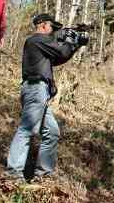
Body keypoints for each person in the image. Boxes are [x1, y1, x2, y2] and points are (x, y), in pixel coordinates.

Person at [6, 13, 82, 184]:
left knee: (52, 132)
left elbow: (60, 56)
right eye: (52, 27)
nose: (53, 31)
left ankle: (42, 175)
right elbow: (62, 50)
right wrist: (70, 40)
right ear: (42, 25)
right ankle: (12, 174)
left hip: (40, 92)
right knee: (27, 129)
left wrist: (75, 45)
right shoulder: (36, 40)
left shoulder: (41, 45)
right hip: (35, 89)